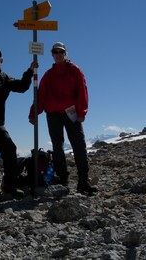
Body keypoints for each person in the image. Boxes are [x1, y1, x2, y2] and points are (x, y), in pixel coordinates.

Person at [29, 42, 97, 195]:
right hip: (53, 114)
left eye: (61, 51)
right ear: (52, 54)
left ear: (65, 53)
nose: (58, 54)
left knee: (79, 145)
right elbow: (41, 96)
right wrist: (34, 112)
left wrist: (82, 112)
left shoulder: (75, 70)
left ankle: (83, 181)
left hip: (71, 112)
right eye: (55, 52)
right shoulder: (48, 75)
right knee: (57, 147)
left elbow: (82, 91)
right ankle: (62, 180)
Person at [0, 48, 37, 198]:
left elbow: (22, 86)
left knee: (10, 149)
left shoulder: (4, 78)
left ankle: (9, 186)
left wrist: (30, 71)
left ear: (1, 60)